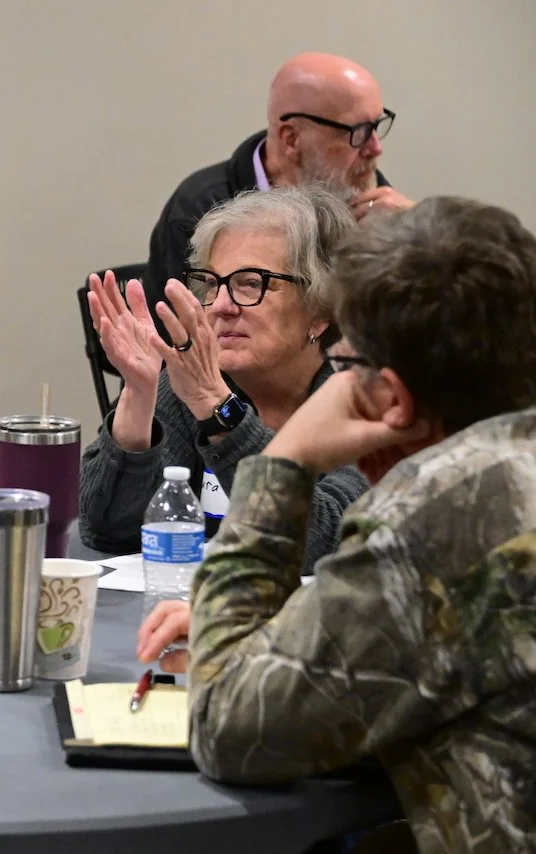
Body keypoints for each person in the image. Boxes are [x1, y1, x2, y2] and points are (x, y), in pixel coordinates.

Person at [182, 197, 536, 851]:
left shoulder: (440, 514)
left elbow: (227, 727)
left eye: (346, 369)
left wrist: (283, 461)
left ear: (392, 398)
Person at [80, 185, 367, 571]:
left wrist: (219, 411)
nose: (222, 306)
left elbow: (323, 546)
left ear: (321, 309)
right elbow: (108, 529)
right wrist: (138, 395)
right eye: (213, 283)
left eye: (251, 283)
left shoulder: (366, 403)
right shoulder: (192, 383)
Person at [143, 52, 414, 334]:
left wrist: (417, 238)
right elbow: (191, 340)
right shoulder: (202, 206)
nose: (375, 148)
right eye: (358, 131)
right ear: (291, 138)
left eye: (377, 126)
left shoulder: (367, 195)